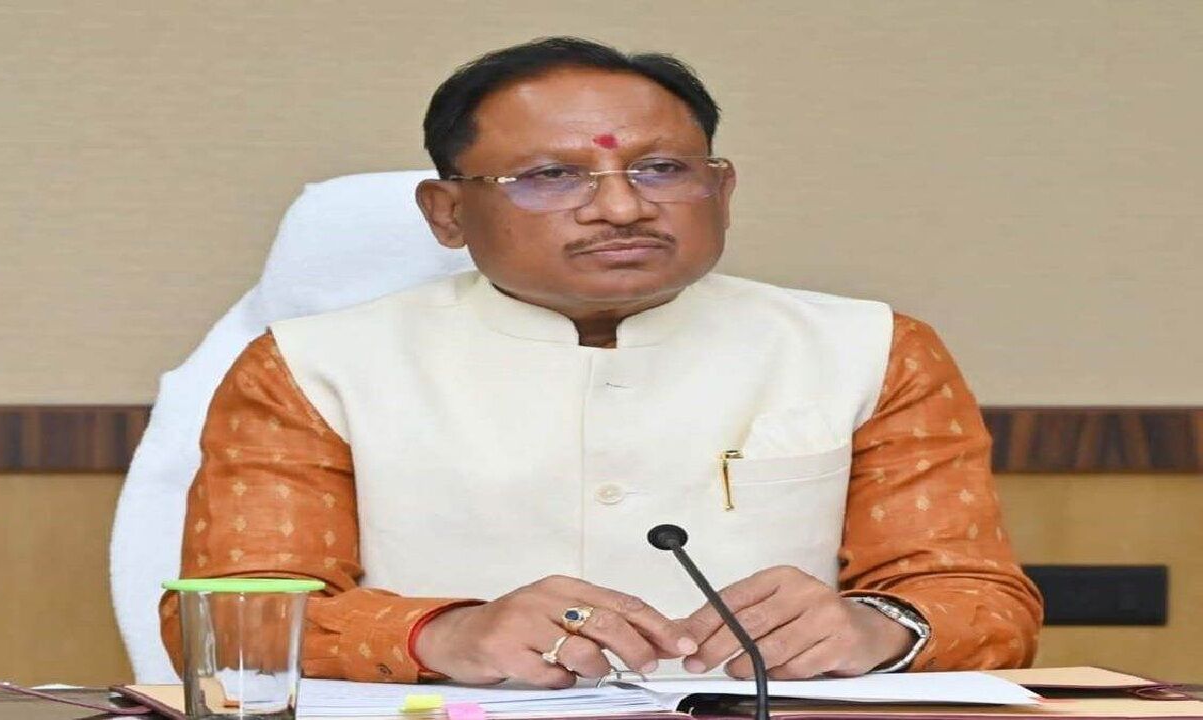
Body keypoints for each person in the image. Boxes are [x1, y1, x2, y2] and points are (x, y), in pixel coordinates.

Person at [159, 37, 1042, 687]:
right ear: (446, 213)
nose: (621, 208)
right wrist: (442, 635)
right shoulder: (311, 366)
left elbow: (980, 601)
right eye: (551, 176)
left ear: (721, 189)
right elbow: (228, 621)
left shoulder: (872, 349)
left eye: (662, 170)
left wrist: (880, 626)